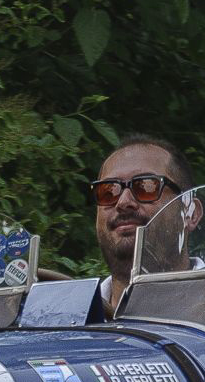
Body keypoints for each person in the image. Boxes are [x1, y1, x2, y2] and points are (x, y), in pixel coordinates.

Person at [84, 133, 198, 321]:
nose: (123, 202)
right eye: (108, 191)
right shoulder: (68, 320)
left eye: (146, 187)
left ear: (191, 212)